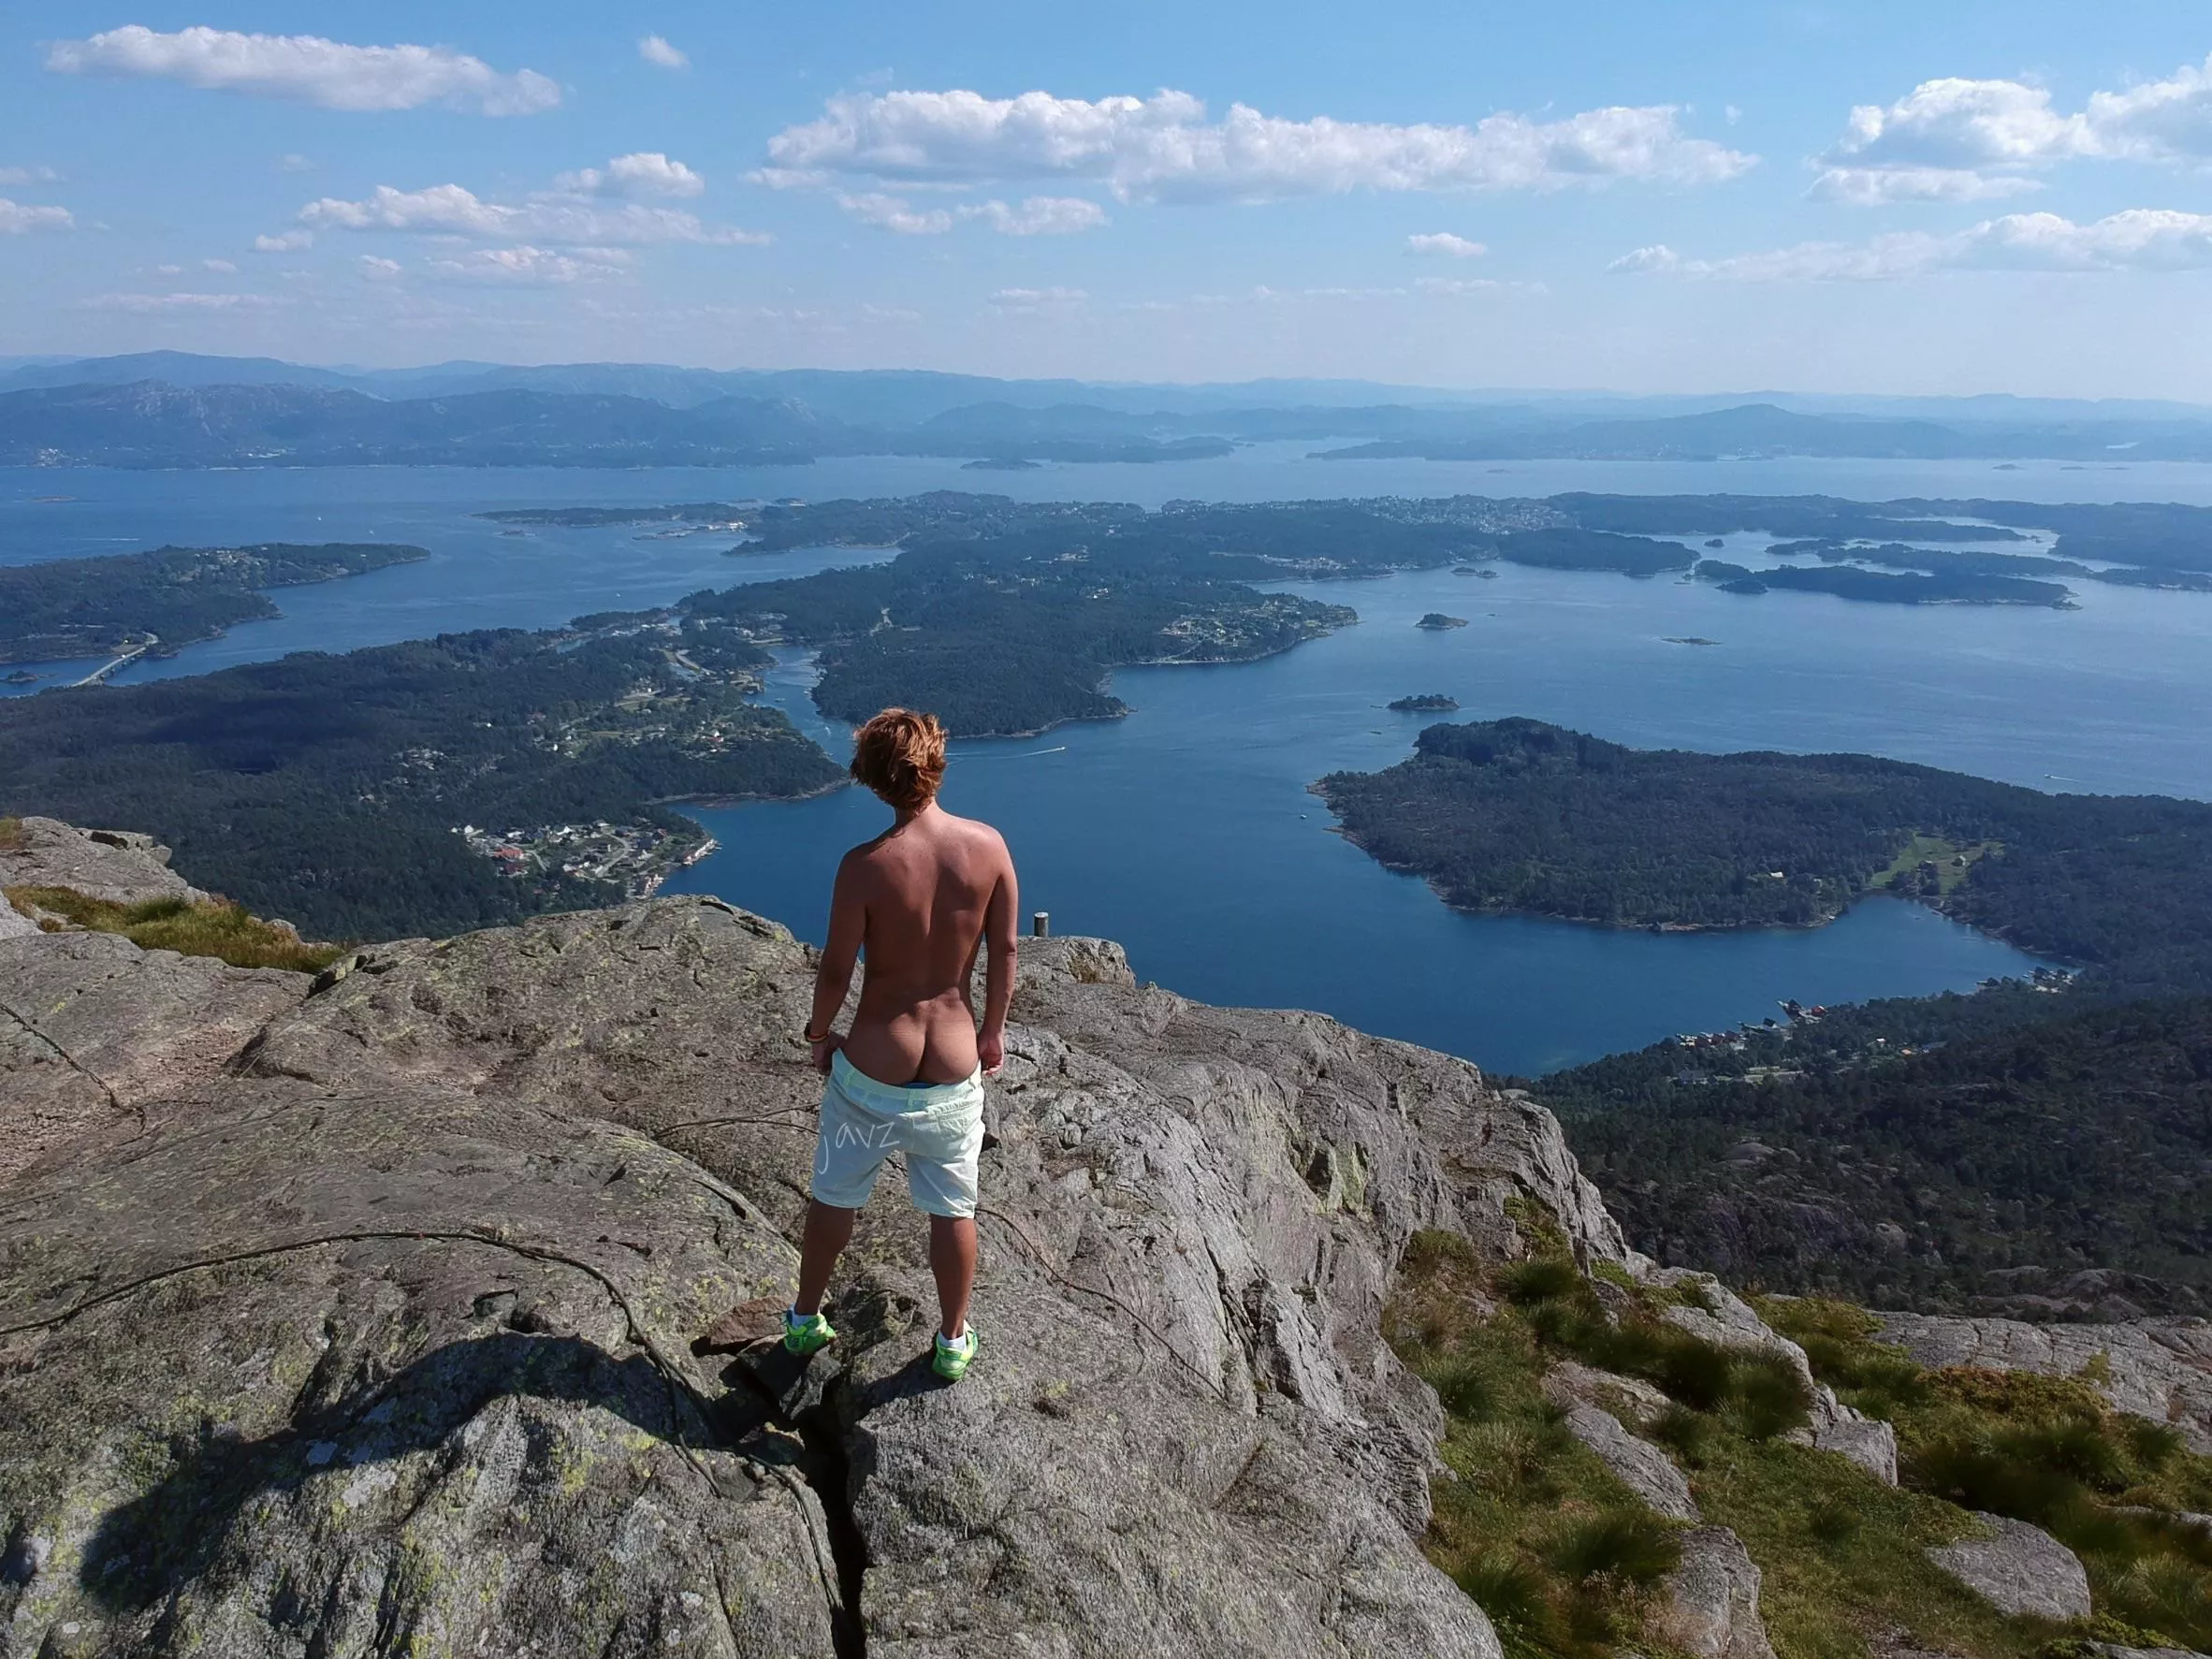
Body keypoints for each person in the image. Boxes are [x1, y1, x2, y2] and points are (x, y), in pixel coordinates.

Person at [784, 707, 1018, 1382]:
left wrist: (820, 1033)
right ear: (936, 762)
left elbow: (835, 968)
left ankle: (804, 1321)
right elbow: (1003, 950)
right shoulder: (989, 847)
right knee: (953, 1207)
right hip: (951, 1063)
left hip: (872, 1067)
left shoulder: (864, 866)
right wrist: (993, 1030)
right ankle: (951, 1339)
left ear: (874, 781)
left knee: (835, 1197)